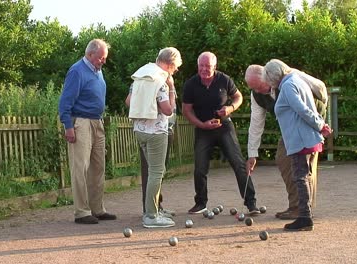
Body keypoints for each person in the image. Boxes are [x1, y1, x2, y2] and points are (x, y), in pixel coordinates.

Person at [245, 64, 328, 220]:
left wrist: (320, 119)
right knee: (284, 160)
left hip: (310, 121)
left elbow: (321, 88)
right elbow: (256, 124)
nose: (258, 91)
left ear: (267, 77)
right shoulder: (257, 94)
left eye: (259, 86)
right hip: (291, 126)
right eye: (253, 88)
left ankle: (302, 210)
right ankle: (299, 207)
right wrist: (252, 153)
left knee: (303, 166)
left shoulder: (290, 78)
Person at [182, 51, 260, 215]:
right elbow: (186, 110)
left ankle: (251, 203)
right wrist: (201, 125)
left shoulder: (224, 79)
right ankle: (200, 202)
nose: (204, 69)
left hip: (224, 127)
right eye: (201, 66)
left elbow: (238, 97)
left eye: (208, 66)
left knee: (238, 163)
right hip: (203, 129)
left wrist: (230, 108)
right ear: (198, 66)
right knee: (200, 167)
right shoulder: (191, 84)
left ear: (214, 67)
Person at [58, 39, 116, 224]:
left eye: (104, 58)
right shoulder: (77, 71)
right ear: (90, 55)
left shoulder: (98, 72)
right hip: (81, 122)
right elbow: (65, 102)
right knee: (80, 168)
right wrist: (68, 126)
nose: (103, 61)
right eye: (101, 58)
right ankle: (82, 211)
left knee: (98, 167)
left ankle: (97, 208)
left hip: (97, 121)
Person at [125, 47, 181, 228]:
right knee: (157, 172)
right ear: (170, 64)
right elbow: (168, 110)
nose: (175, 71)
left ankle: (155, 209)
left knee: (152, 172)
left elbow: (128, 101)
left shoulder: (141, 76)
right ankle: (151, 216)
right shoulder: (161, 81)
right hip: (156, 132)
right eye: (176, 67)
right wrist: (172, 89)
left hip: (139, 130)